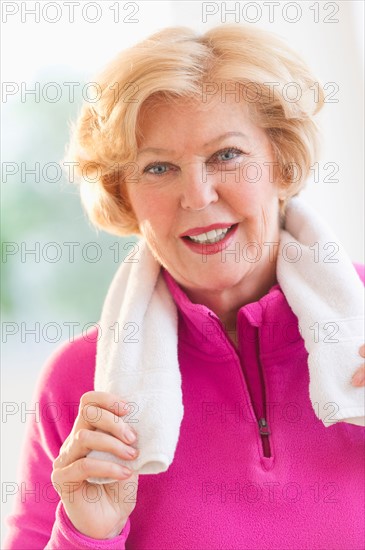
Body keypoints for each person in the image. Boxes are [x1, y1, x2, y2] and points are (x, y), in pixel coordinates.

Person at [4, 24, 365, 549]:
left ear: (281, 163)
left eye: (227, 155)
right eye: (158, 167)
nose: (196, 196)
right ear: (124, 196)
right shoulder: (83, 386)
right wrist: (87, 534)